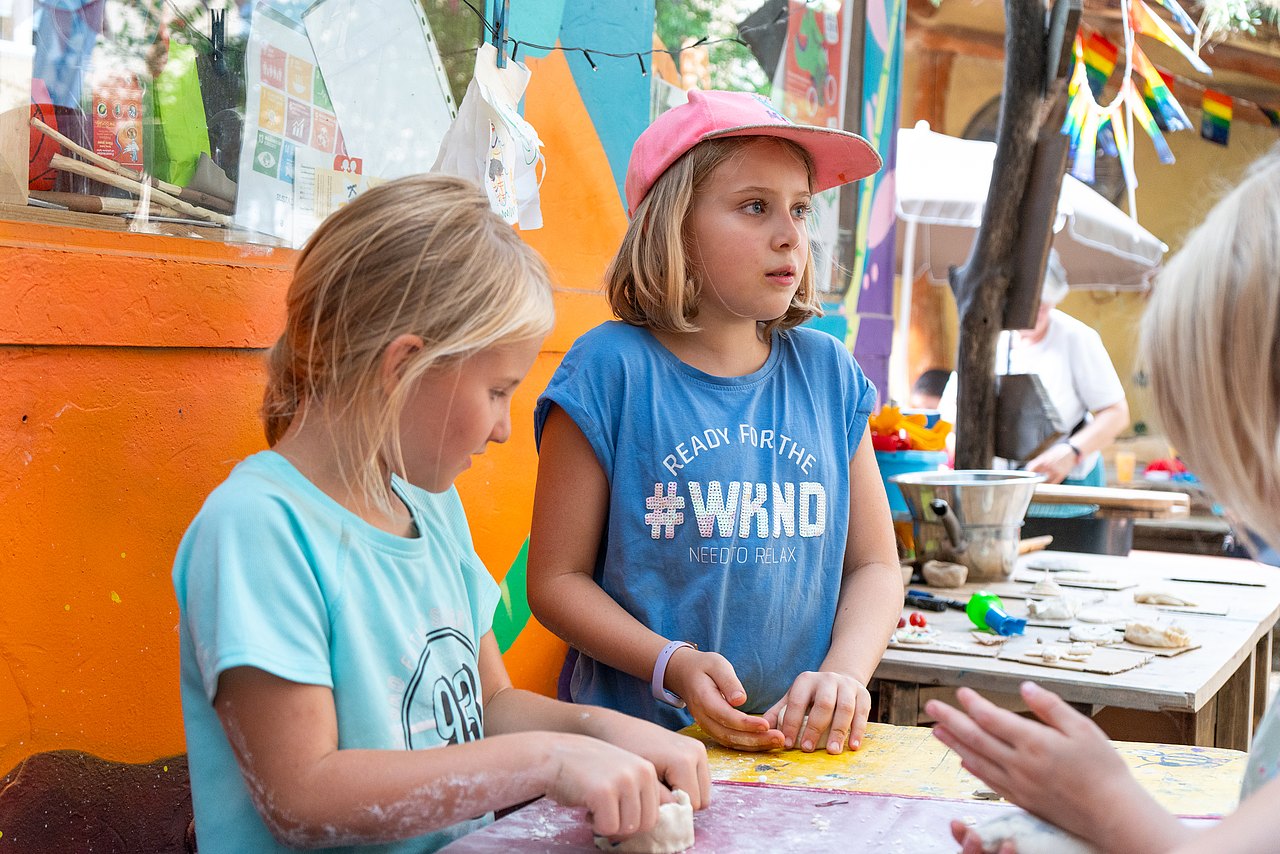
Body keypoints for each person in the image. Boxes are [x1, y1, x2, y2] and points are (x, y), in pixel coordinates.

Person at [172, 174, 710, 853]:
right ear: (403, 366)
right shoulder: (258, 529)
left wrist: (603, 732)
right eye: (496, 391)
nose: (505, 429)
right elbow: (301, 797)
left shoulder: (431, 505)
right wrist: (548, 761)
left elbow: (490, 706)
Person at [526, 90, 904, 758]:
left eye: (800, 208)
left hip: (800, 754)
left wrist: (844, 674)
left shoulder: (829, 374)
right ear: (674, 226)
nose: (790, 234)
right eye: (755, 207)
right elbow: (556, 582)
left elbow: (875, 565)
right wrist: (670, 662)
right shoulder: (609, 370)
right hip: (633, 758)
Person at [929, 148, 1280, 853]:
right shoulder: (989, 345)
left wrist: (1105, 802)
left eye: (1245, 470)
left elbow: (1110, 412)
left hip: (1071, 508)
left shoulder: (1080, 340)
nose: (1238, 510)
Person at [938, 252, 1130, 485]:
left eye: (1044, 305)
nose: (1036, 312)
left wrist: (1071, 452)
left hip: (1065, 482)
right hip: (1000, 484)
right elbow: (948, 417)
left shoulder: (1076, 337)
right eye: (1029, 304)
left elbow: (1116, 413)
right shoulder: (987, 338)